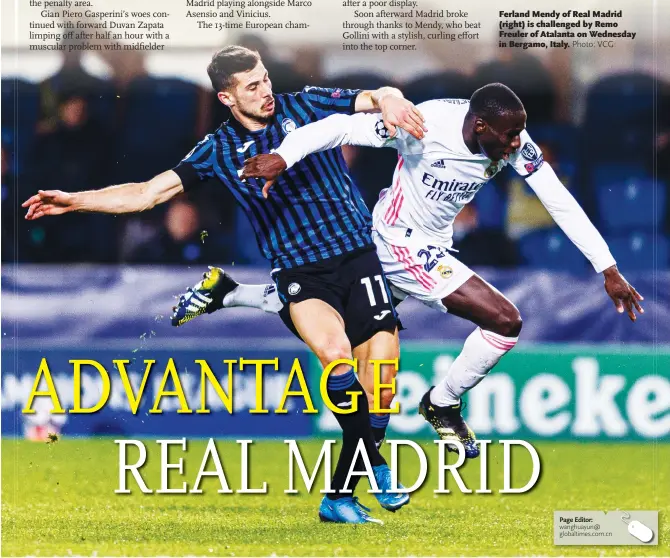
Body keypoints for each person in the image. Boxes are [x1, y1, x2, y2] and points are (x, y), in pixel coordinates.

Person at [22, 45, 428, 525]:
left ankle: (338, 497)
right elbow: (147, 193)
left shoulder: (306, 104)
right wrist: (75, 201)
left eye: (265, 79)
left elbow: (374, 96)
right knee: (336, 357)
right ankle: (377, 465)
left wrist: (392, 97)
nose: (266, 90)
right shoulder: (216, 151)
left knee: (379, 384)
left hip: (359, 258)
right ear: (226, 97)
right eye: (252, 86)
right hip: (300, 272)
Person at [180, 83, 644, 459]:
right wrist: (284, 156)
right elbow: (338, 127)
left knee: (324, 305)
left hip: (430, 244)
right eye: (507, 134)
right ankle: (441, 403)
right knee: (505, 321)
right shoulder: (423, 125)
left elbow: (558, 199)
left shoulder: (513, 143)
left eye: (519, 132)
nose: (516, 143)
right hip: (397, 239)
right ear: (480, 124)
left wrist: (607, 267)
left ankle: (230, 293)